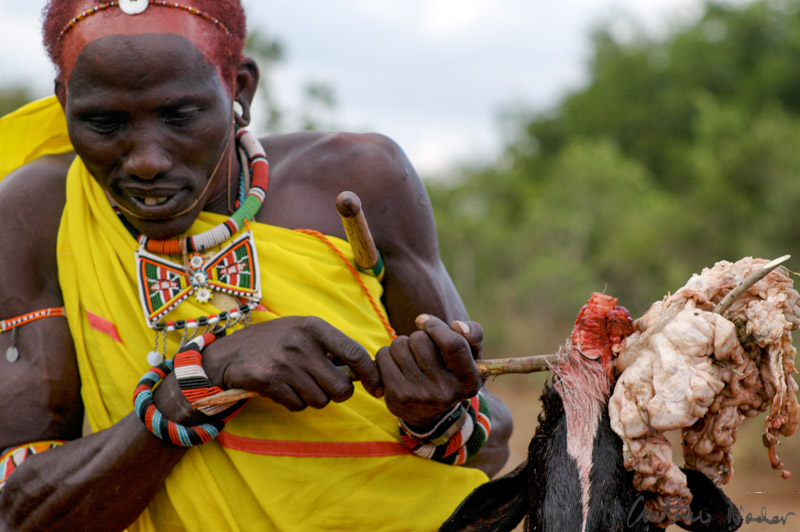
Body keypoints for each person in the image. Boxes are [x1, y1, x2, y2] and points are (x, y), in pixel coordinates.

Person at [0, 1, 512, 530]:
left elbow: (492, 438)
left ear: (239, 88)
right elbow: (22, 513)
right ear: (63, 101)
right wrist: (199, 385)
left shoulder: (361, 179)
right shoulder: (39, 213)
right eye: (103, 122)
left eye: (179, 115)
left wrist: (435, 418)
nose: (147, 160)